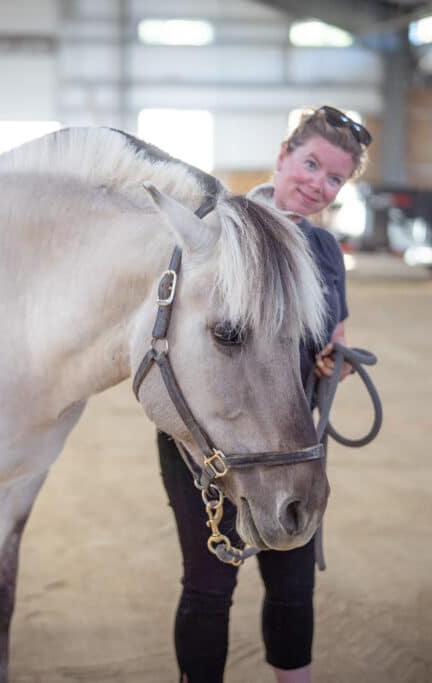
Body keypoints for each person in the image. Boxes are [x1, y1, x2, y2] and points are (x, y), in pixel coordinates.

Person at [157, 106, 370, 683]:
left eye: (334, 179)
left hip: (289, 434)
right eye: (310, 164)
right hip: (212, 438)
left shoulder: (326, 252)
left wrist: (334, 364)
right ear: (282, 156)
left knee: (293, 587)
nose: (316, 184)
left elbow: (335, 339)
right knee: (207, 587)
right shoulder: (222, 231)